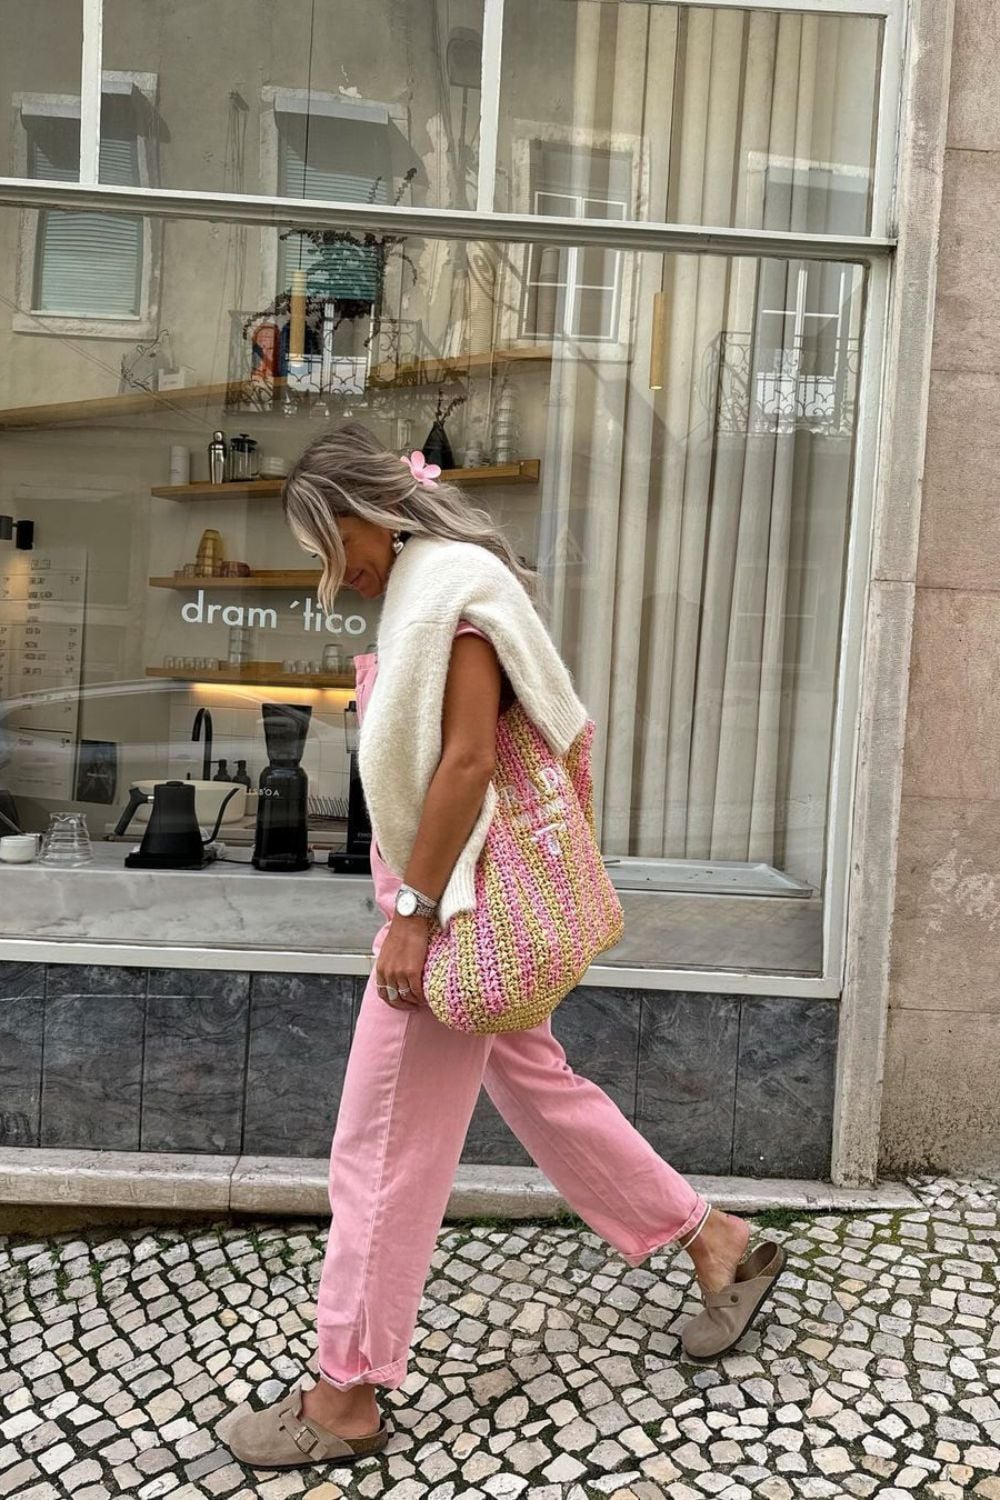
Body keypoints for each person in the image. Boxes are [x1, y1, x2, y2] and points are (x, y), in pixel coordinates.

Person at [225, 422, 784, 1470]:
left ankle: (343, 1396)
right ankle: (720, 1244)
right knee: (542, 1089)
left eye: (325, 540)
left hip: (453, 905)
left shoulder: (451, 594)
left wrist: (415, 915)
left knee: (380, 1149)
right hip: (452, 894)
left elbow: (470, 760)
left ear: (365, 514)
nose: (327, 569)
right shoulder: (432, 586)